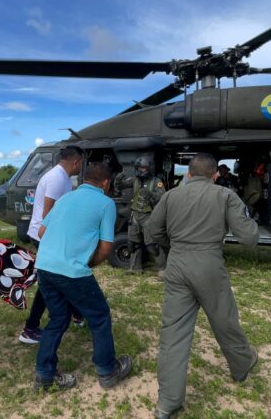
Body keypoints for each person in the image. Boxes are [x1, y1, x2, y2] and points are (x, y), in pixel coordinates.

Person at [148, 153, 259, 419]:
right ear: (215, 174)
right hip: (209, 263)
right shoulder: (225, 195)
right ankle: (242, 365)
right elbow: (249, 237)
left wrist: (172, 247)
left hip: (176, 264)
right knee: (224, 320)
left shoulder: (170, 196)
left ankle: (167, 403)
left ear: (188, 173)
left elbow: (153, 230)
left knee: (173, 333)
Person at [34, 162, 132, 391]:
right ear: (106, 183)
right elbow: (106, 248)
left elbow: (41, 231)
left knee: (57, 320)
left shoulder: (65, 198)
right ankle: (107, 370)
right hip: (72, 271)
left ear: (83, 180)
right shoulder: (106, 203)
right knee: (99, 316)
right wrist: (89, 264)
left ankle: (44, 374)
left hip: (45, 267)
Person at [19, 145, 85, 344]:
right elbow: (48, 213)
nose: (81, 166)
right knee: (50, 282)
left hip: (48, 235)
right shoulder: (57, 178)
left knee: (61, 277)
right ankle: (30, 328)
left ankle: (77, 313)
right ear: (76, 161)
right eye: (81, 162)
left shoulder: (61, 177)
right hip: (45, 236)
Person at [113, 156, 166, 273]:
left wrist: (151, 195)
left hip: (149, 216)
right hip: (135, 216)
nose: (142, 170)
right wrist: (118, 179)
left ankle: (162, 269)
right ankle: (135, 268)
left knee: (153, 245)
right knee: (133, 244)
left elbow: (163, 198)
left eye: (144, 168)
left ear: (149, 168)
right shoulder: (134, 180)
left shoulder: (156, 182)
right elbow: (120, 186)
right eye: (140, 168)